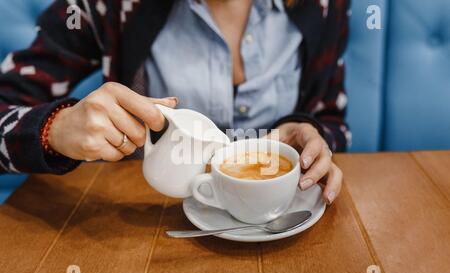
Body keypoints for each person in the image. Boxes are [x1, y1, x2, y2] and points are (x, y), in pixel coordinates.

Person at [0, 0, 349, 204]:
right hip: (141, 223)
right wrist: (54, 130)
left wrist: (312, 137)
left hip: (279, 223)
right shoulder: (110, 7)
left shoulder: (323, 8)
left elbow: (333, 123)